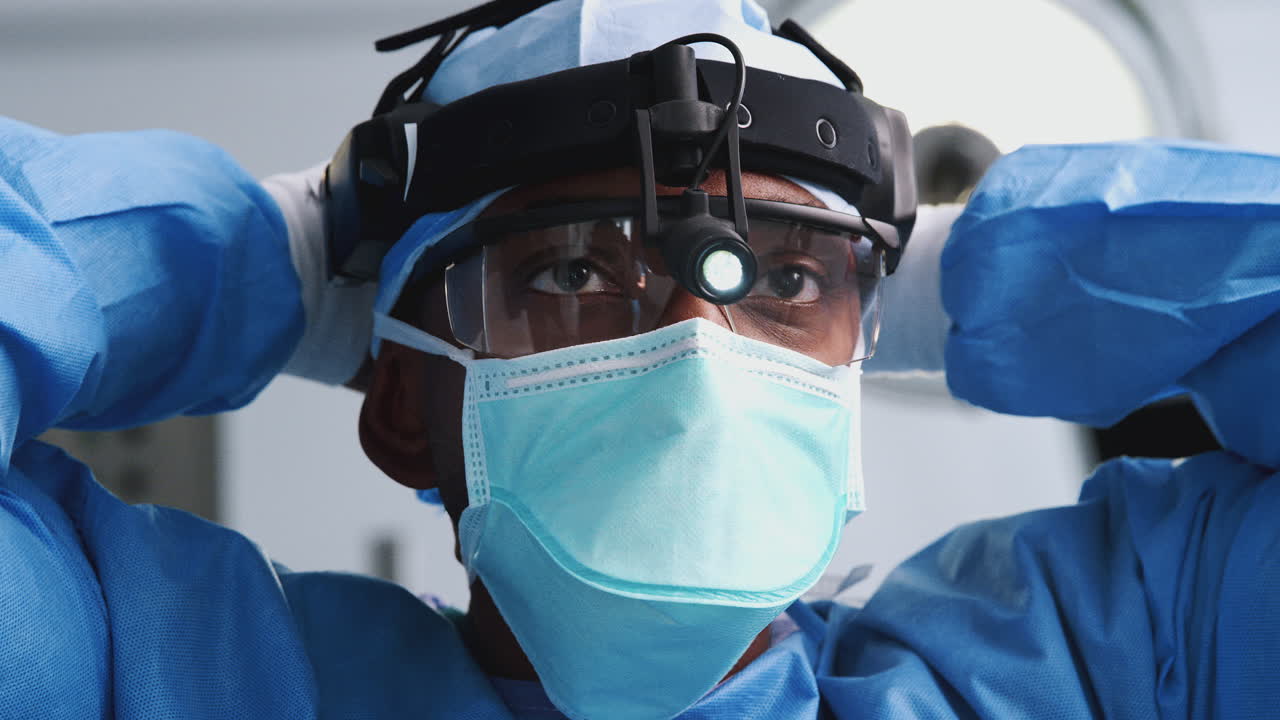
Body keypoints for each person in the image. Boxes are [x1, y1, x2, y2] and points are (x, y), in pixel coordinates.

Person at [1, 2, 1277, 720]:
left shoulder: (1100, 663)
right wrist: (268, 261)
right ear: (400, 401)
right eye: (568, 272)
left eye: (780, 281)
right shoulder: (174, 675)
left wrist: (967, 280)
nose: (693, 352)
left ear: (858, 359)